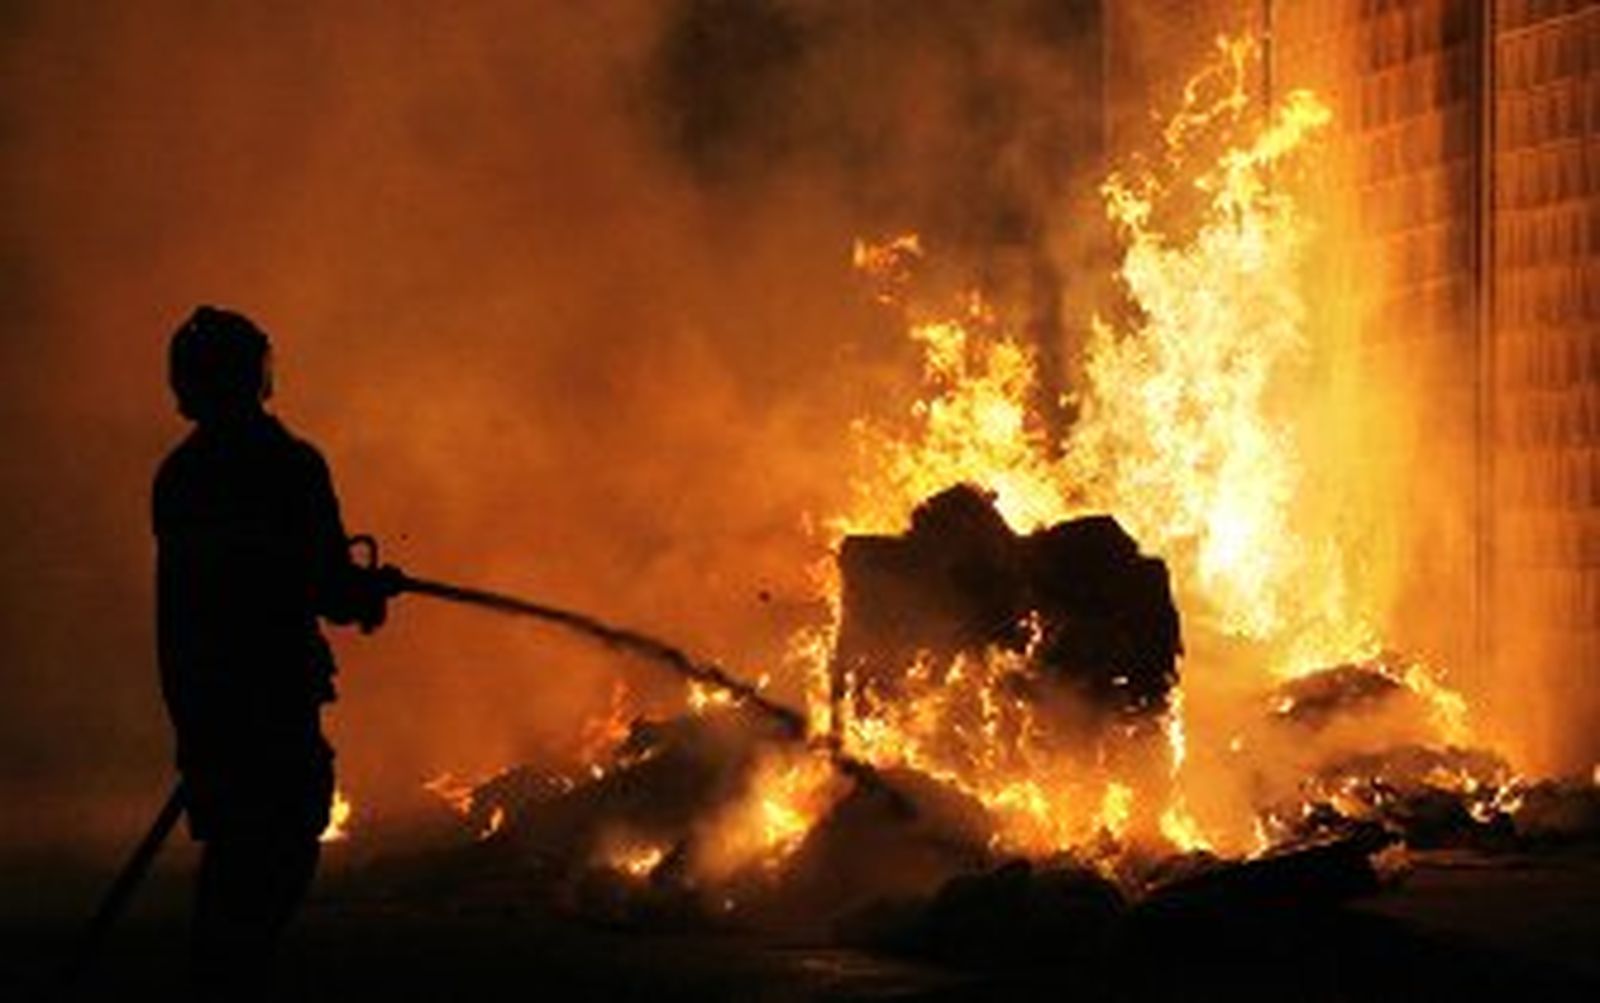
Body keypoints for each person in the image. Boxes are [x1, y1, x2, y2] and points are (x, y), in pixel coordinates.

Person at [153, 305, 389, 998]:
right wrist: (363, 591)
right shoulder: (286, 464)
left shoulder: (181, 476)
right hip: (272, 699)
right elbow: (320, 584)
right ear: (257, 375)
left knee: (234, 860)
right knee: (277, 854)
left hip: (204, 698)